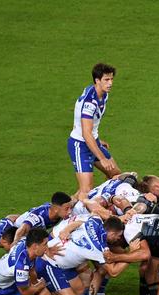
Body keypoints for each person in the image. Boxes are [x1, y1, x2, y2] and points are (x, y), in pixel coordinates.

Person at [67, 63, 121, 200]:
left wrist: (97, 140)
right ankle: (65, 213)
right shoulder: (90, 103)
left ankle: (104, 200)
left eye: (111, 79)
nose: (110, 83)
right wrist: (102, 159)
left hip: (92, 141)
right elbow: (85, 133)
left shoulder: (102, 94)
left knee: (116, 175)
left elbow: (91, 126)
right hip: (80, 145)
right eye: (106, 80)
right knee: (86, 190)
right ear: (97, 80)